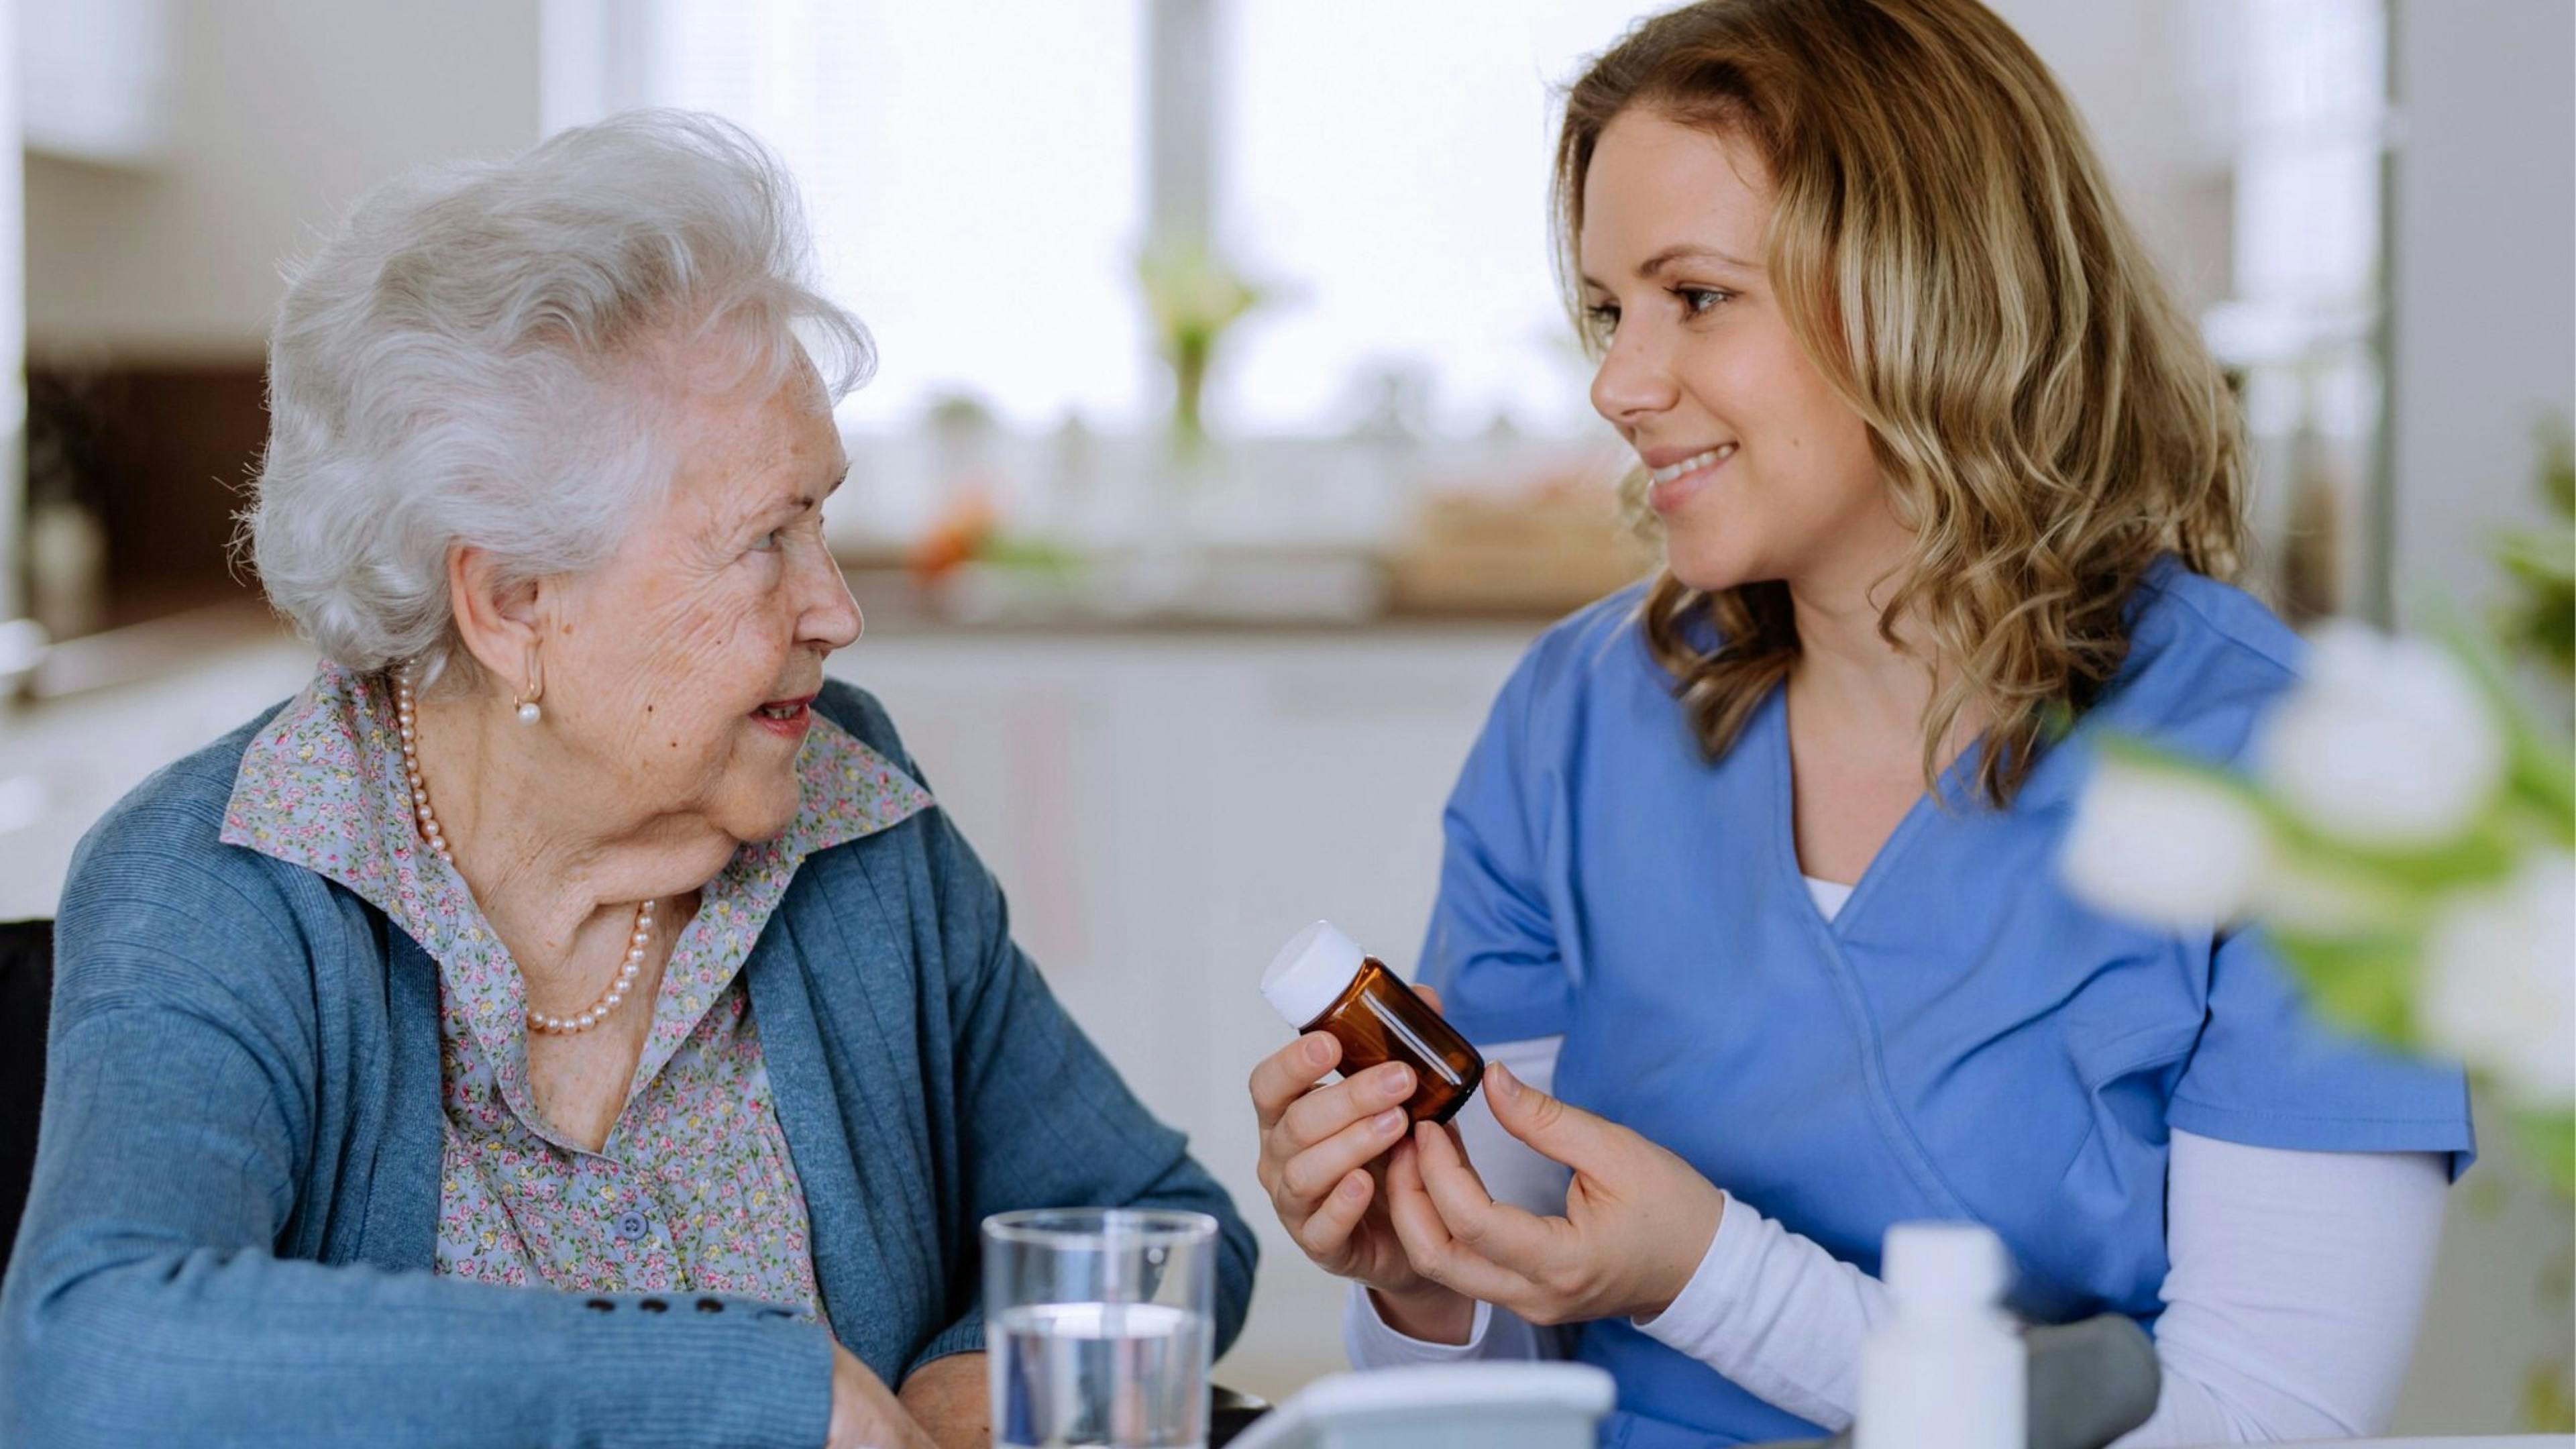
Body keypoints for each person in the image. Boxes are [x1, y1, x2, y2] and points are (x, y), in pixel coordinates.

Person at [1248, 3, 2468, 1444]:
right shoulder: (1577, 724)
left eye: (1695, 296)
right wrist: (1426, 1293)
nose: (1619, 384)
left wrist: (1707, 1276)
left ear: (1930, 293)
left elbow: (2251, 1432)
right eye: (1608, 311)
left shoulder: (2313, 789)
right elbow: (1507, 1349)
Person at [0, 111, 1254, 1449]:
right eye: (765, 540)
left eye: (819, 516)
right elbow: (95, 1358)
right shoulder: (230, 878)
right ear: (514, 599)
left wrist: (973, 1374)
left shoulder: (852, 809)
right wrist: (758, 1391)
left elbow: (1161, 1232)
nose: (835, 611)